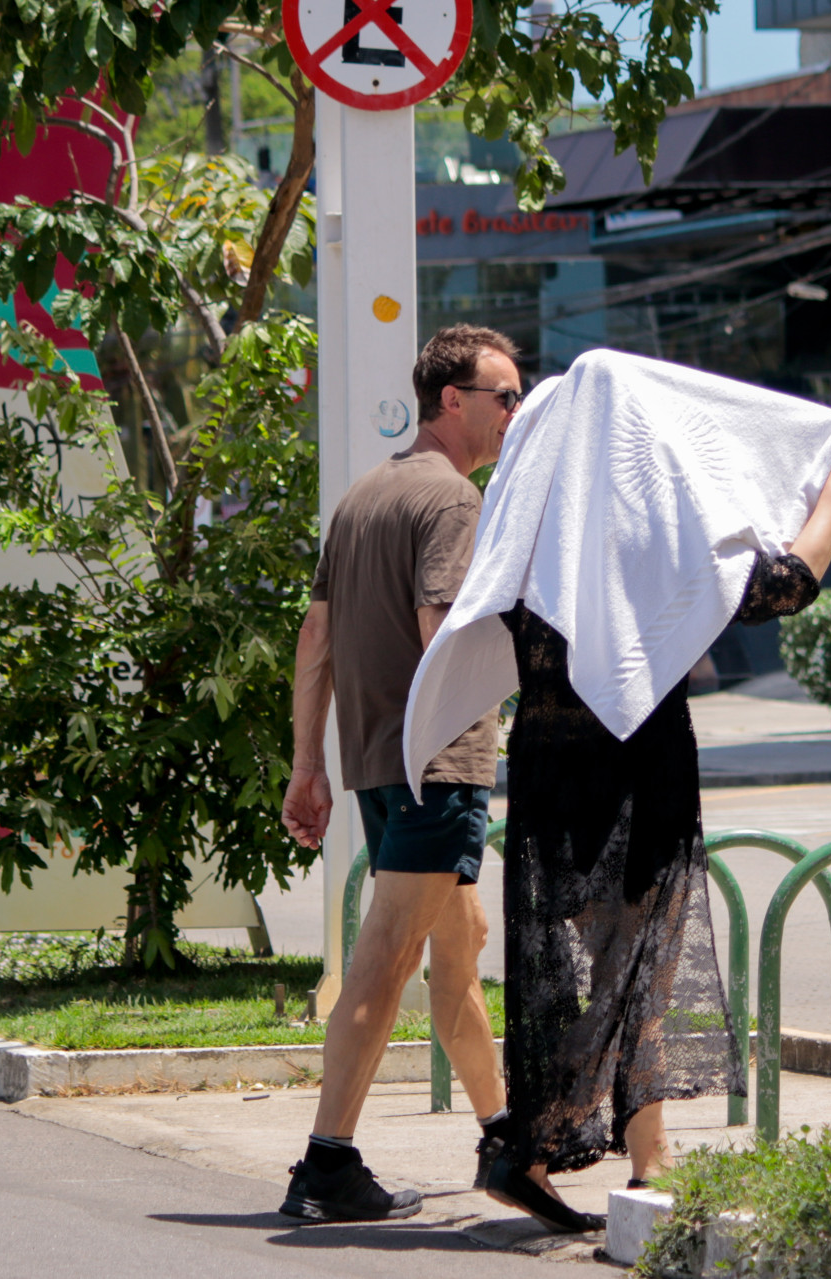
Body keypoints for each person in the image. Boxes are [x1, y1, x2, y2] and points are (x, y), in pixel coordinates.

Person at [399, 350, 831, 1233]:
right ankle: (549, 1147)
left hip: (547, 765)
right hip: (638, 765)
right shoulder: (653, 523)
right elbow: (786, 583)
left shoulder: (532, 518)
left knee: (590, 965)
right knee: (643, 960)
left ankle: (614, 1150)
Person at [276, 325, 522, 1222]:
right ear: (451, 401)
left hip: (381, 766)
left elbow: (315, 637)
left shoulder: (361, 498)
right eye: (504, 397)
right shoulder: (454, 502)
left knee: (457, 957)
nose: (513, 414)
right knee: (384, 964)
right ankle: (326, 1165)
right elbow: (442, 629)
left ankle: (503, 1136)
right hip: (440, 768)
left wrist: (310, 765)